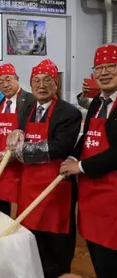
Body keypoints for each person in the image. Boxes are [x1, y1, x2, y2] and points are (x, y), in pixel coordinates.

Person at [8, 59, 81, 278]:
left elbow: (61, 146)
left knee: (56, 237)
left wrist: (21, 151)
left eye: (47, 80)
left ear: (56, 84)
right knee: (32, 233)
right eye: (36, 81)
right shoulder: (28, 107)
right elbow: (20, 130)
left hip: (56, 185)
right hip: (30, 182)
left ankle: (59, 271)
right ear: (31, 84)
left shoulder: (69, 113)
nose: (41, 85)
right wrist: (16, 134)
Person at [60, 44, 117, 278]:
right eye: (99, 68)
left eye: (111, 66)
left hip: (113, 196)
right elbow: (88, 135)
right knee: (97, 252)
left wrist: (81, 166)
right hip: (91, 195)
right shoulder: (97, 102)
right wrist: (73, 155)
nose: (104, 73)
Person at [0, 63, 35, 215]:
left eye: (8, 79)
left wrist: (15, 151)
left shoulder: (30, 100)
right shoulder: (0, 104)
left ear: (17, 78)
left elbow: (32, 132)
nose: (5, 84)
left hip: (20, 164)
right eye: (0, 81)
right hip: (0, 161)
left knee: (23, 206)